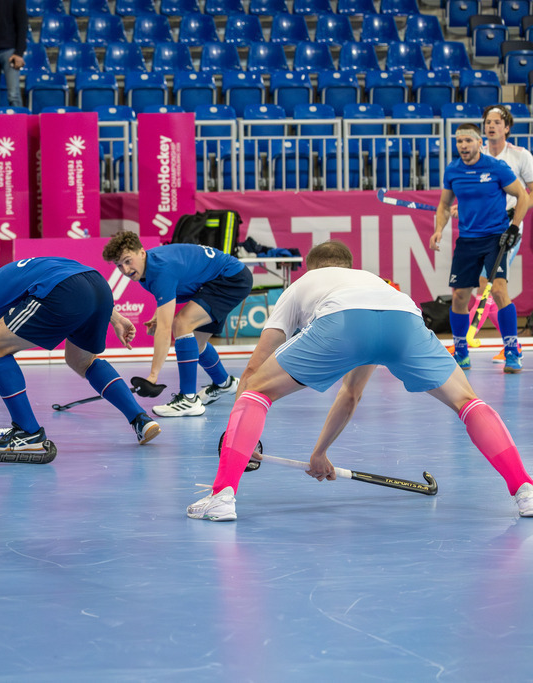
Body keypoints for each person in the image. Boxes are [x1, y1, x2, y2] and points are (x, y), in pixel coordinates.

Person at [187, 240, 533, 522]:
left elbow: (253, 370)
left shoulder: (302, 285)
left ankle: (222, 495)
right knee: (467, 401)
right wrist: (320, 453)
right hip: (403, 319)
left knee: (257, 392)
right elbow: (351, 394)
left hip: (341, 321)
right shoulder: (373, 281)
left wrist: (237, 440)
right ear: (348, 266)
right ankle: (525, 489)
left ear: (312, 269)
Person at [0, 258, 161, 453]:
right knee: (81, 360)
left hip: (64, 290)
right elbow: (72, 278)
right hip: (97, 285)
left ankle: (28, 432)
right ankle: (140, 418)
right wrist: (114, 316)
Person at [102, 231, 253, 418]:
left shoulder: (161, 270)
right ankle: (225, 384)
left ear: (141, 253)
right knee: (196, 345)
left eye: (127, 261)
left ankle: (188, 400)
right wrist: (158, 315)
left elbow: (165, 330)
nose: (125, 270)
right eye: (119, 265)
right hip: (213, 280)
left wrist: (153, 376)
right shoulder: (147, 266)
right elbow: (169, 292)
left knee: (181, 324)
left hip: (230, 279)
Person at [431, 123, 529, 373]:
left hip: (495, 238)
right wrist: (439, 229)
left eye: (468, 140)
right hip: (467, 240)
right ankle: (461, 351)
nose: (463, 145)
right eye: (459, 141)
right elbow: (444, 205)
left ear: (478, 143)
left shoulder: (496, 167)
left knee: (498, 290)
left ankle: (512, 350)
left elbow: (523, 196)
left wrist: (514, 227)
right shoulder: (453, 170)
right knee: (459, 297)